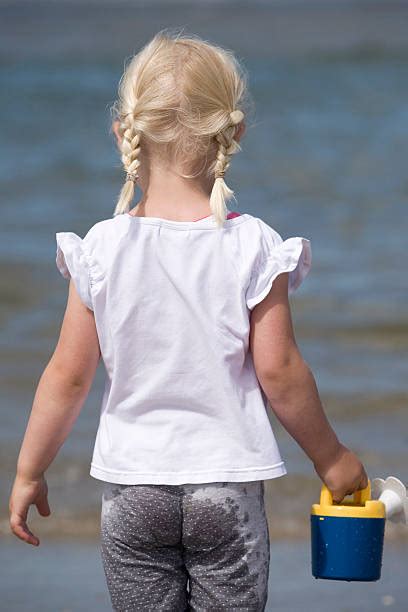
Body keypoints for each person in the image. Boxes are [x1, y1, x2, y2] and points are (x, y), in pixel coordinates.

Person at [9, 29, 368, 611]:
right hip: (224, 490)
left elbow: (68, 377)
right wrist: (332, 459)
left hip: (132, 492)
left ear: (124, 133)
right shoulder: (252, 245)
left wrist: (30, 470)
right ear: (235, 133)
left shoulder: (101, 249)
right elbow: (280, 372)